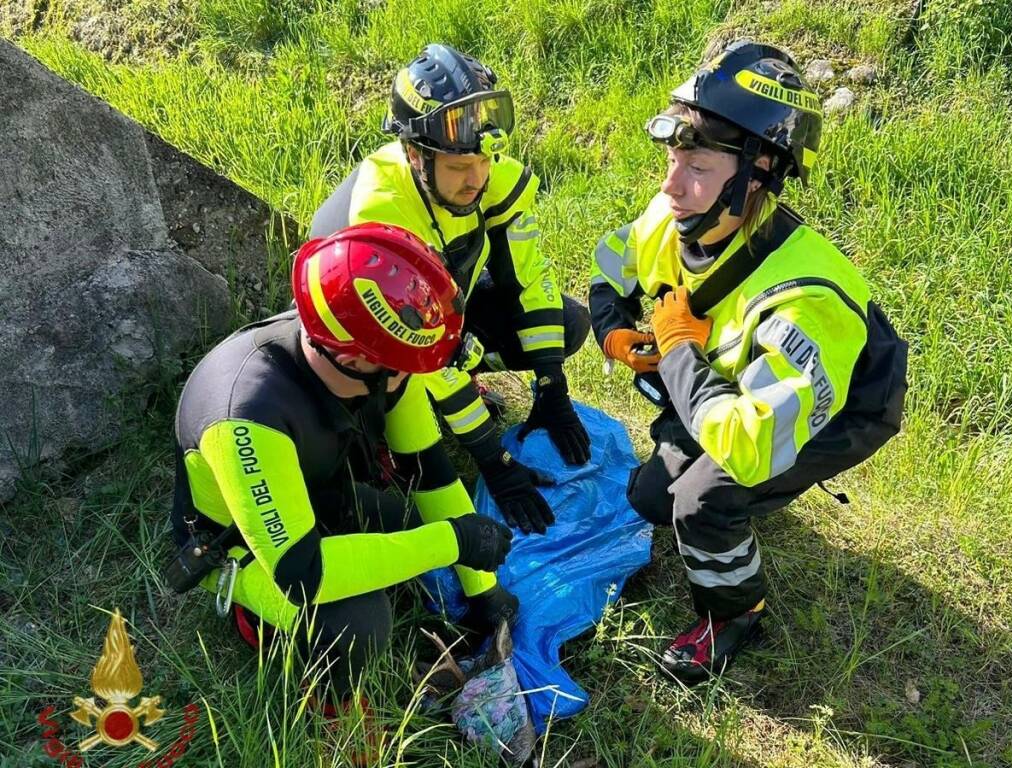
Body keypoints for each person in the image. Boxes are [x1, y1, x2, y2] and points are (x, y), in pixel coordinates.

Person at [588, 41, 907, 683]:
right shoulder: (676, 217)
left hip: (840, 406)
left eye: (697, 168)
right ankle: (714, 504)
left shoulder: (806, 298)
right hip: (735, 388)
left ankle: (734, 615)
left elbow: (748, 442)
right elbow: (609, 270)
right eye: (673, 159)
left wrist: (677, 349)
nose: (671, 185)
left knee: (700, 504)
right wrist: (615, 335)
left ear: (759, 171)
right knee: (654, 496)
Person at [168, 223, 518, 711]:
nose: (413, 378)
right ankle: (289, 658)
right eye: (407, 368)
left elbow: (432, 473)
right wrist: (453, 541)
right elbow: (303, 573)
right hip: (242, 547)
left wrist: (484, 588)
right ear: (356, 359)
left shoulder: (378, 359)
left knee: (408, 524)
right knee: (358, 624)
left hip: (316, 494)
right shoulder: (247, 415)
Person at [310, 43, 592, 537]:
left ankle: (473, 384)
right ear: (415, 154)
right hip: (373, 347)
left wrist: (551, 383)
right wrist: (494, 459)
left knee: (566, 325)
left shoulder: (482, 170)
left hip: (438, 310)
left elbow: (530, 273)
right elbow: (423, 351)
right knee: (382, 446)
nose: (477, 180)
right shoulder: (381, 214)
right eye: (460, 167)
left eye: (483, 161)